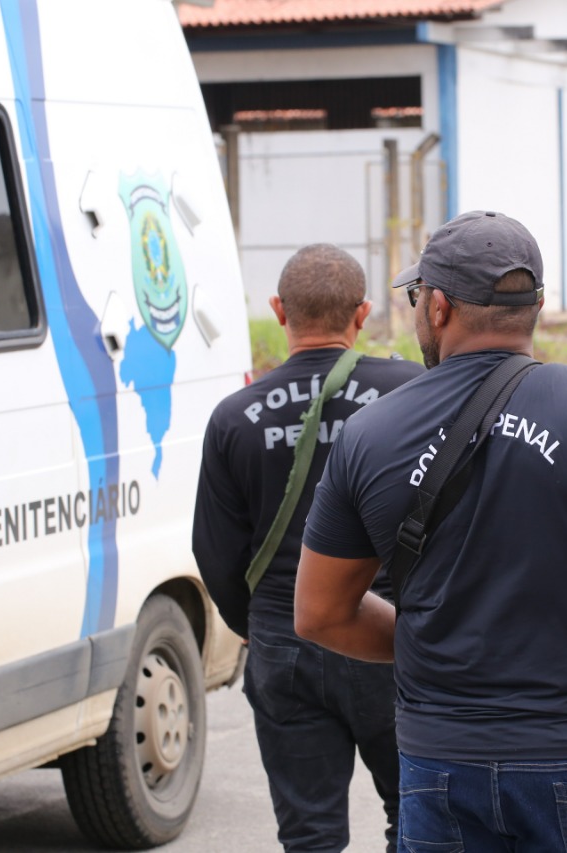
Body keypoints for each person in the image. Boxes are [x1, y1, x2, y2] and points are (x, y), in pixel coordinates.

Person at [294, 210, 567, 851]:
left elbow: (318, 614)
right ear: (537, 305)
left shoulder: (369, 433)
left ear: (439, 307)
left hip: (443, 767)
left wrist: (439, 641)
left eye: (417, 298)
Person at [192, 243, 423, 852]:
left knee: (310, 835)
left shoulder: (233, 417)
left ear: (277, 310)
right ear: (364, 313)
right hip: (390, 637)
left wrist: (264, 625)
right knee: (418, 818)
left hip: (284, 640)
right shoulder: (411, 392)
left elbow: (215, 552)